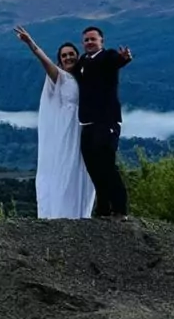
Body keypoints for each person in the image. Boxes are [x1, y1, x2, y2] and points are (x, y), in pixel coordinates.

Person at [14, 26, 95, 220]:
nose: (68, 58)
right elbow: (44, 61)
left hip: (85, 128)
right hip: (68, 131)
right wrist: (31, 43)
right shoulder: (61, 77)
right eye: (64, 55)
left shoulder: (86, 77)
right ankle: (62, 215)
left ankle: (82, 214)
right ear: (60, 60)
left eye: (72, 54)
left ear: (78, 56)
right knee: (66, 170)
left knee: (84, 172)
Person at [73, 26, 133, 219]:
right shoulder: (82, 61)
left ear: (101, 41)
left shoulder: (108, 56)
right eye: (86, 40)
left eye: (93, 39)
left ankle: (120, 209)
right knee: (93, 167)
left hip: (107, 120)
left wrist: (125, 59)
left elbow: (118, 62)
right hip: (88, 123)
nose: (89, 42)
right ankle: (103, 209)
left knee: (107, 165)